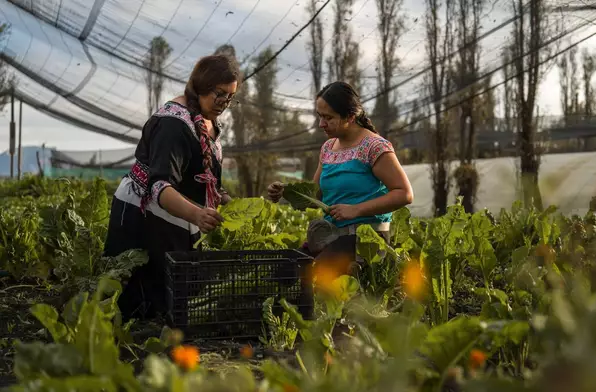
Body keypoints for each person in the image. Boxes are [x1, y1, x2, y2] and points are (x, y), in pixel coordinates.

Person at [103, 54, 240, 321]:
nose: (224, 103)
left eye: (231, 97)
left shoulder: (208, 122)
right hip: (144, 215)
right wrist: (198, 215)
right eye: (219, 94)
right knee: (140, 300)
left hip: (179, 215)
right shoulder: (173, 124)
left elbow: (208, 179)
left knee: (176, 295)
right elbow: (160, 188)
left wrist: (228, 201)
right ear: (201, 86)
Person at [267, 81, 413, 272]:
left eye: (328, 117)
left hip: (366, 242)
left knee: (311, 280)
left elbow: (404, 193)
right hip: (330, 237)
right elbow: (317, 196)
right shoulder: (328, 148)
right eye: (320, 116)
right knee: (284, 274)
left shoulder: (374, 147)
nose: (321, 124)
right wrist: (286, 192)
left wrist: (356, 210)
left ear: (350, 117)